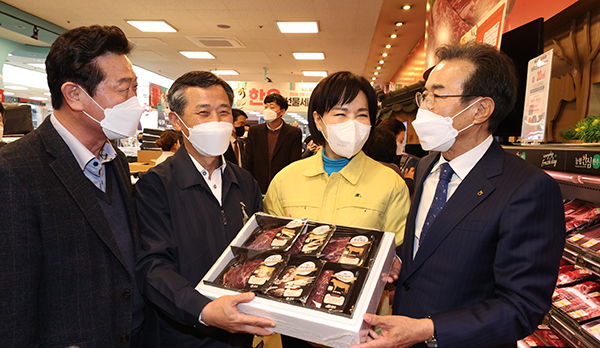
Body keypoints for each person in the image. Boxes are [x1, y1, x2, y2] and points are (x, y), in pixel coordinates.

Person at [351, 43, 565, 348]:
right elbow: (431, 246)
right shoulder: (426, 166)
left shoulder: (527, 188)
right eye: (423, 95)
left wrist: (428, 329)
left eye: (436, 96)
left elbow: (522, 306)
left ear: (480, 109)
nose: (423, 108)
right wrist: (399, 261)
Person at [0, 25, 158, 347]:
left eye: (135, 89)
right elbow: (13, 304)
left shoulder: (116, 160)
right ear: (74, 95)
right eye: (123, 89)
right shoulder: (15, 172)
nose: (135, 102)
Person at [135, 71, 275, 348]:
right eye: (203, 113)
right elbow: (152, 266)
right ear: (176, 121)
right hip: (183, 333)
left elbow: (260, 249)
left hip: (239, 329)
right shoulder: (155, 186)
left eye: (223, 112)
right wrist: (202, 309)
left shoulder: (244, 181)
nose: (216, 121)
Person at [243, 93, 302, 193]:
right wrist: (247, 182)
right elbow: (248, 159)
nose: (267, 110)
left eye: (272, 107)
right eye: (266, 106)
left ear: (282, 111)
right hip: (257, 184)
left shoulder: (293, 133)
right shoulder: (255, 131)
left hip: (282, 185)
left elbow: (294, 162)